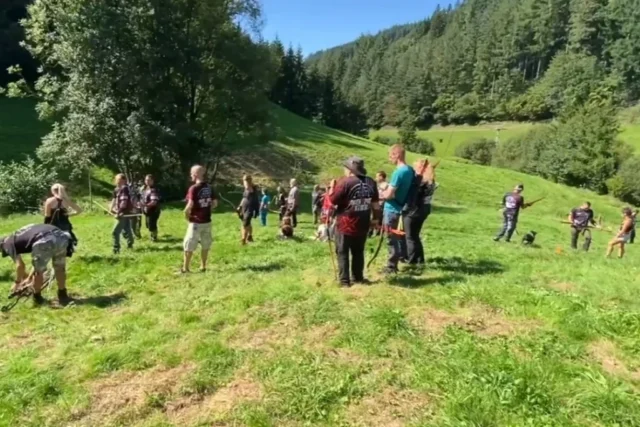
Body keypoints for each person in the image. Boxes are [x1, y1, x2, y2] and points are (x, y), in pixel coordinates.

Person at [330, 157, 380, 287]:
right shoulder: (371, 182)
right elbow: (376, 204)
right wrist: (375, 219)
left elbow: (333, 200)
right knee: (358, 251)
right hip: (363, 222)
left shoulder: (345, 182)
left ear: (350, 170)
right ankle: (358, 277)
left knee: (342, 251)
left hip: (345, 224)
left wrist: (332, 188)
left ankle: (344, 281)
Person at [1, 224, 73, 306]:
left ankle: (37, 298)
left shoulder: (7, 244)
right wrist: (29, 278)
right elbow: (36, 262)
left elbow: (20, 266)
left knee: (38, 272)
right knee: (60, 267)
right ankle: (63, 294)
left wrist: (17, 283)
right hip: (61, 236)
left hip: (44, 240)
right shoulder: (18, 235)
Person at [380, 144, 415, 275]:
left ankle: (391, 266)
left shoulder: (398, 172)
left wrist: (382, 193)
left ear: (397, 155)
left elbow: (389, 195)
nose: (390, 159)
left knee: (391, 238)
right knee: (398, 236)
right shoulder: (410, 170)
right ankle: (399, 259)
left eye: (391, 156)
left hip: (391, 209)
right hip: (401, 207)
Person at [182, 165, 217, 273]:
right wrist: (207, 209)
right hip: (207, 221)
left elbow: (190, 204)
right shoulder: (209, 187)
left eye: (191, 173)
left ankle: (185, 268)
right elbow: (215, 203)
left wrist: (186, 215)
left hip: (196, 222)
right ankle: (203, 266)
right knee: (205, 245)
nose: (190, 175)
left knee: (189, 245)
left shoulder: (193, 188)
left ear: (196, 174)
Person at [403, 159, 437, 266]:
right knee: (415, 235)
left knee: (409, 236)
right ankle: (420, 259)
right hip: (424, 209)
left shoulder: (421, 182)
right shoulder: (431, 181)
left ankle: (412, 260)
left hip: (415, 210)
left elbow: (413, 195)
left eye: (415, 167)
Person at [110, 174, 135, 254]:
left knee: (115, 232)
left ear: (124, 180)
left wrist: (119, 212)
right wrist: (111, 209)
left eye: (119, 179)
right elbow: (114, 199)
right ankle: (130, 243)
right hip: (122, 212)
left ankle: (116, 249)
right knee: (127, 229)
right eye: (116, 179)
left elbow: (124, 202)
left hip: (123, 213)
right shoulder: (117, 189)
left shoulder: (124, 189)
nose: (117, 181)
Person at [238, 175, 259, 245]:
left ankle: (243, 240)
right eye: (244, 181)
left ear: (249, 181)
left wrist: (256, 210)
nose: (244, 182)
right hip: (244, 208)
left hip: (249, 209)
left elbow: (256, 201)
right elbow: (244, 198)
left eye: (245, 181)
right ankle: (250, 237)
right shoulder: (246, 189)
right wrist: (240, 206)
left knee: (245, 224)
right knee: (247, 223)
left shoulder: (253, 189)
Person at [141, 175, 162, 242]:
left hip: (154, 210)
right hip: (147, 211)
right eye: (146, 180)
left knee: (151, 224)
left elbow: (154, 202)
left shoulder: (153, 190)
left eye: (149, 180)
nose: (147, 181)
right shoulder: (145, 189)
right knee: (148, 224)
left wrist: (145, 205)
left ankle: (154, 237)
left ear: (152, 181)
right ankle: (152, 235)